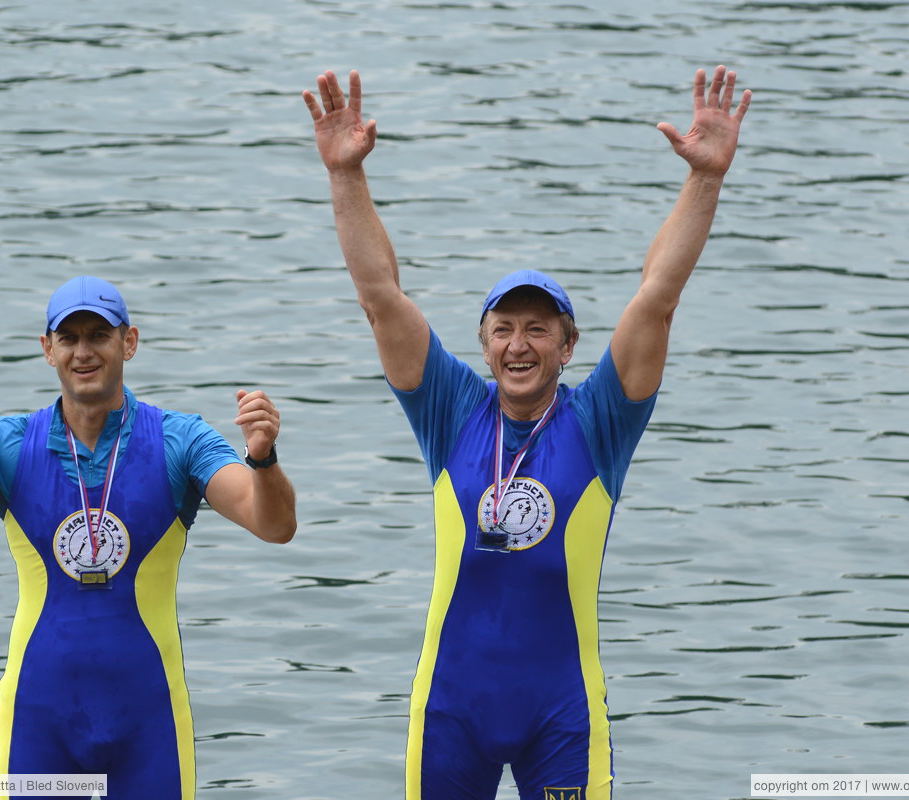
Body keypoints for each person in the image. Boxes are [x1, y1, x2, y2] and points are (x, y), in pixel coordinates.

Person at [303, 66, 751, 799]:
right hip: (450, 708)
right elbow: (381, 299)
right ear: (482, 346)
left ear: (567, 347)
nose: (519, 344)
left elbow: (657, 300)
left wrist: (704, 180)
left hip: (562, 715)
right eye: (503, 329)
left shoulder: (602, 421)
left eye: (538, 329)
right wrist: (346, 174)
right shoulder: (450, 408)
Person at [0, 276, 297, 798]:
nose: (83, 351)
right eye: (68, 338)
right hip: (38, 724)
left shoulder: (181, 441)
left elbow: (273, 525)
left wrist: (263, 459)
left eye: (99, 334)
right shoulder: (5, 446)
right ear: (47, 349)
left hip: (149, 725)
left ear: (129, 342)